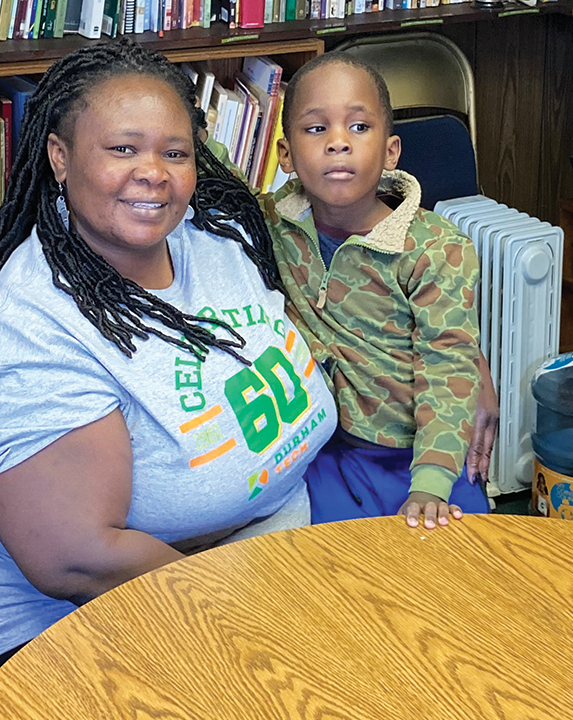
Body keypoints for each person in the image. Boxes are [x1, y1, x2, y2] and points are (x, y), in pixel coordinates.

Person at [0, 39, 337, 664]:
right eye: (122, 148)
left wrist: (453, 354)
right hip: (108, 625)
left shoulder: (215, 229)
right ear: (59, 157)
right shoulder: (31, 316)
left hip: (281, 553)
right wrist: (258, 621)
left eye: (175, 152)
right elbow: (76, 559)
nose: (153, 172)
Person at [262, 53, 488, 530]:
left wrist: (431, 481)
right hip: (327, 454)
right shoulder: (271, 225)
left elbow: (448, 363)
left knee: (456, 576)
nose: (338, 143)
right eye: (316, 129)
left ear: (390, 152)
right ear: (285, 155)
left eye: (359, 128)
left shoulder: (437, 249)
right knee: (337, 580)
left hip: (421, 456)